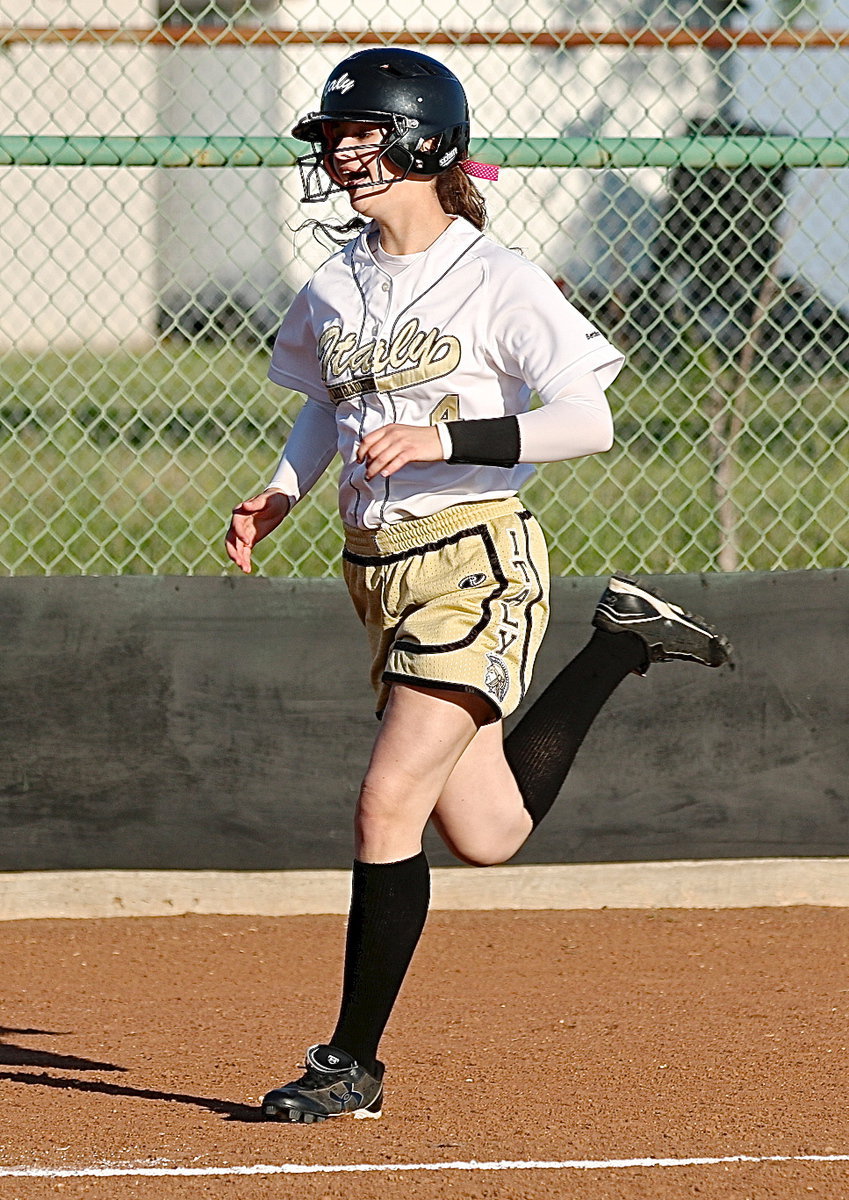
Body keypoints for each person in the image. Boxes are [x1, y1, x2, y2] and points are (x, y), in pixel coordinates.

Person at [225, 46, 732, 1124]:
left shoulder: (493, 277)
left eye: (362, 133)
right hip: (378, 573)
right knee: (488, 830)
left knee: (385, 801)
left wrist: (449, 431)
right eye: (334, 137)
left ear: (422, 142)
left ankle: (350, 1065)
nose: (341, 152)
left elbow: (587, 419)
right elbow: (329, 402)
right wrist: (280, 491)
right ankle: (620, 647)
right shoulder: (336, 280)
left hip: (474, 562)